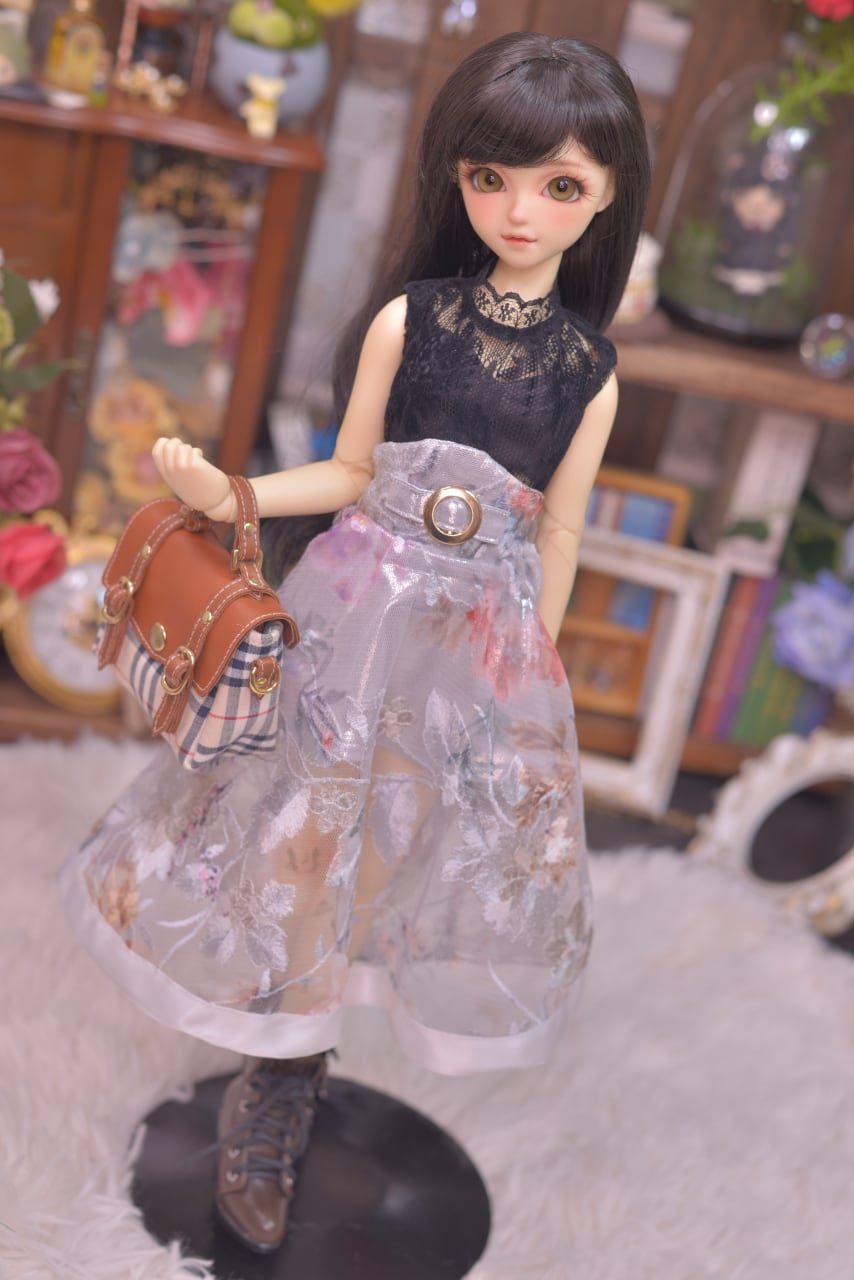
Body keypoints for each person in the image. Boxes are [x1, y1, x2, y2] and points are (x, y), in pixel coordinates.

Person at [60, 31, 650, 1254]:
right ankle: (275, 1075)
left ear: (604, 197)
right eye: (489, 178)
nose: (518, 210)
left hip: (474, 649)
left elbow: (562, 529)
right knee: (298, 831)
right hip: (358, 607)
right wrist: (232, 494)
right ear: (454, 179)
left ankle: (299, 1065)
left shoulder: (587, 372)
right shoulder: (408, 321)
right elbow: (346, 468)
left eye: (558, 185)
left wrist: (527, 667)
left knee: (401, 849)